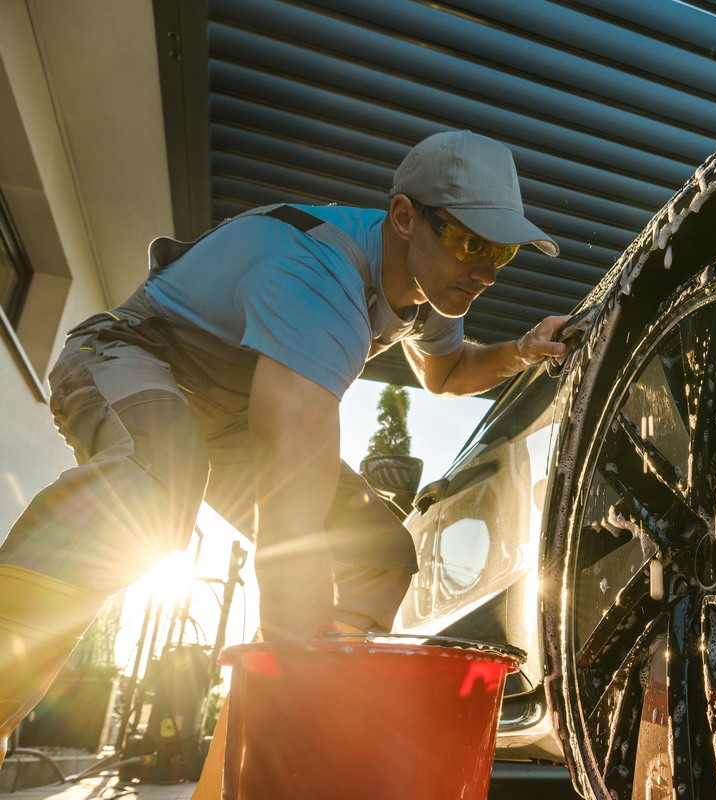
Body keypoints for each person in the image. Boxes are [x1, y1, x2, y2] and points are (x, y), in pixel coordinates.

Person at [0, 130, 569, 766]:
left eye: (504, 253)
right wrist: (301, 661)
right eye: (471, 245)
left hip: (232, 415)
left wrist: (521, 351)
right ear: (405, 217)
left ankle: (259, 765)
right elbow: (289, 486)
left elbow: (446, 373)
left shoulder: (431, 288)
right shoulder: (319, 275)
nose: (487, 273)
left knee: (378, 554)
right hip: (133, 355)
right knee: (156, 489)